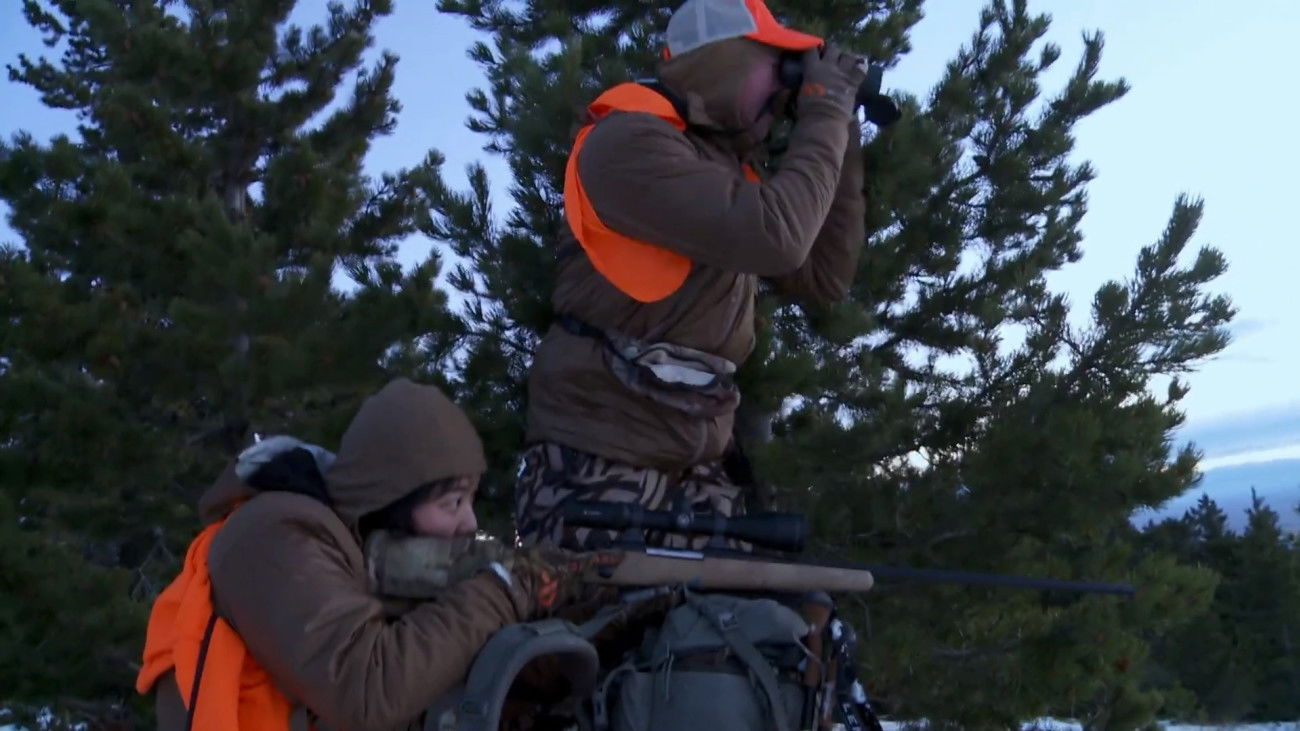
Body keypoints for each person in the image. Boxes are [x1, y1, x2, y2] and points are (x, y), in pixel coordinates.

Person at [517, 0, 869, 550]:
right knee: (615, 630)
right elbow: (777, 239)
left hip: (698, 467)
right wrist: (825, 115)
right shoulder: (628, 145)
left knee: (753, 630)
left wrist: (839, 135)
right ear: (722, 64)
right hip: (600, 458)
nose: (784, 91)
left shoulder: (726, 171)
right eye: (775, 67)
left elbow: (822, 277)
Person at [137, 378, 592, 731]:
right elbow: (368, 692)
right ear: (391, 499)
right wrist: (501, 590)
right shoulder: (273, 535)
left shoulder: (355, 550)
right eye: (452, 502)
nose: (469, 523)